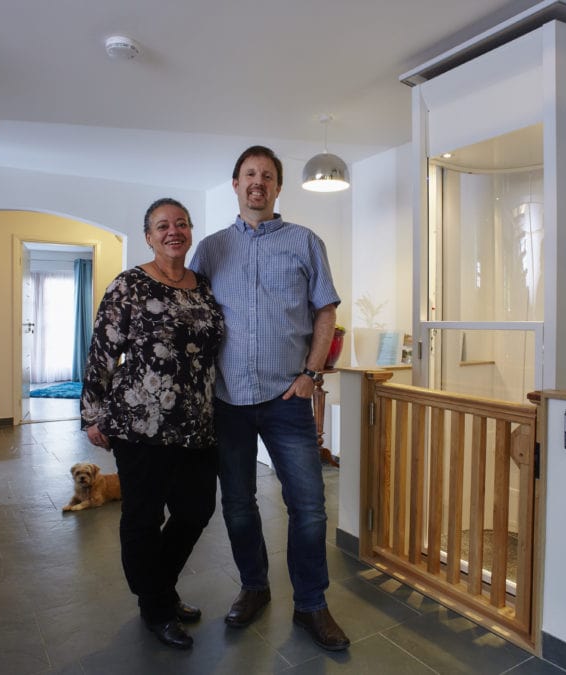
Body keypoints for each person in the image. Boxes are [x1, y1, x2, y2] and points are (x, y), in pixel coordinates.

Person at [190, 146, 350, 651]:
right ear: (235, 183)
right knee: (238, 504)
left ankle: (311, 605)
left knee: (308, 506)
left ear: (279, 188)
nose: (258, 183)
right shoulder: (211, 250)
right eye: (249, 175)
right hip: (229, 398)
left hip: (288, 396)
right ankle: (254, 587)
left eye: (268, 176)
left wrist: (311, 373)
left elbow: (325, 310)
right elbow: (192, 315)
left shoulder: (305, 242)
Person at [80, 197, 224, 650]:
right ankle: (156, 606)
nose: (173, 231)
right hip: (140, 425)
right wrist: (91, 413)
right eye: (162, 226)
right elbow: (102, 350)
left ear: (190, 231)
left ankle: (157, 587)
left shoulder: (203, 286)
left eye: (181, 224)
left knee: (196, 509)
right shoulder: (129, 284)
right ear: (148, 236)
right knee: (142, 517)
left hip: (197, 424)